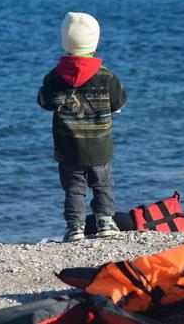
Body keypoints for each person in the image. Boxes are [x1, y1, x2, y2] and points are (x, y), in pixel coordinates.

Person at [37, 12, 128, 242]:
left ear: (65, 41)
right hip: (100, 145)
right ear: (94, 43)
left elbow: (45, 102)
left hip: (68, 147)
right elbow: (119, 103)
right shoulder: (106, 77)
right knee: (103, 183)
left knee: (74, 188)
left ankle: (75, 227)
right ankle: (105, 221)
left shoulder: (54, 77)